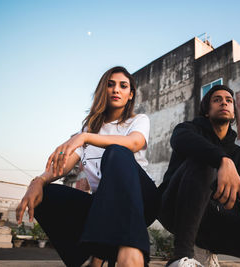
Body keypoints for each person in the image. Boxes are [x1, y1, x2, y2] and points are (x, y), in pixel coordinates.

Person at [16, 66, 160, 267]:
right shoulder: (89, 129)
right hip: (104, 206)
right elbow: (64, 166)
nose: (116, 90)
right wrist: (38, 181)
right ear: (103, 90)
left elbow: (134, 143)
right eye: (110, 85)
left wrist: (84, 137)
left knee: (116, 151)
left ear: (130, 95)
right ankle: (85, 259)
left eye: (123, 86)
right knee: (46, 195)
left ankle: (131, 252)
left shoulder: (137, 120)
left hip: (142, 200)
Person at [158, 85, 240, 267]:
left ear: (234, 113)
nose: (224, 103)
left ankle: (205, 250)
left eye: (229, 100)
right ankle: (181, 257)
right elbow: (180, 140)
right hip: (175, 207)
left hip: (214, 218)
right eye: (217, 99)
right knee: (204, 161)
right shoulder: (189, 129)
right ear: (207, 111)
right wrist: (223, 160)